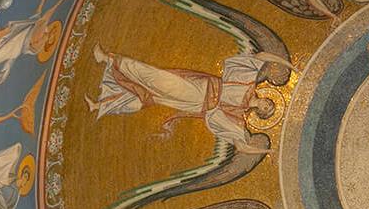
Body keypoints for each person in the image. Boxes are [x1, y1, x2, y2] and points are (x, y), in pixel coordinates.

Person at [90, 43, 273, 151]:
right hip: (199, 85)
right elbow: (262, 57)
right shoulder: (249, 83)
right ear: (267, 97)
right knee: (155, 84)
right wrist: (289, 65)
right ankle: (106, 79)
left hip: (196, 99)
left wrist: (266, 151)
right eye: (269, 103)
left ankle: (107, 70)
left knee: (154, 85)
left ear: (261, 113)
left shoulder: (239, 115)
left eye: (267, 109)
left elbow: (240, 145)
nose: (266, 105)